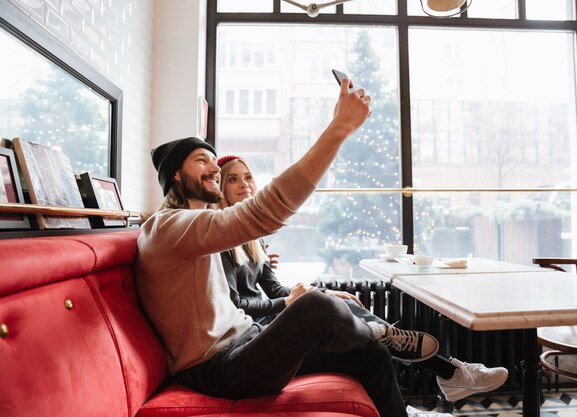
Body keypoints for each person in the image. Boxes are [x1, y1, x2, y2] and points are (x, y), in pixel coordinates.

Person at [137, 80, 439, 417]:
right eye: (200, 161)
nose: (215, 169)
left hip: (247, 342)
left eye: (214, 161)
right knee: (317, 306)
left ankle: (383, 344)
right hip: (217, 368)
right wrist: (337, 129)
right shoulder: (168, 227)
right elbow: (265, 212)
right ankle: (378, 331)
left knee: (371, 357)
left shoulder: (197, 228)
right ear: (175, 176)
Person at [216, 154, 510, 404]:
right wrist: (289, 302)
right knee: (360, 333)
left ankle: (442, 374)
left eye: (248, 177)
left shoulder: (253, 239)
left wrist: (321, 293)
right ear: (220, 188)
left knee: (364, 334)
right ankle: (450, 372)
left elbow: (274, 288)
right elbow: (236, 303)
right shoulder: (218, 241)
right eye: (233, 179)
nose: (244, 184)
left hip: (271, 326)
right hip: (261, 338)